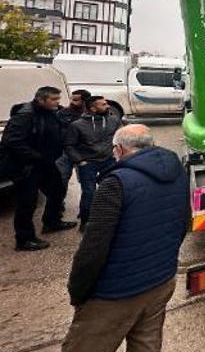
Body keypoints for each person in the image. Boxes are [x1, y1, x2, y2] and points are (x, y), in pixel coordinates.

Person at [56, 124, 190, 352]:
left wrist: (78, 291)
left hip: (115, 293)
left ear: (118, 149)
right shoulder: (177, 171)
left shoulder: (115, 183)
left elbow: (93, 248)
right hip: (160, 283)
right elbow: (184, 223)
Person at [0, 86, 77, 251]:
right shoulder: (25, 116)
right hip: (26, 166)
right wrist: (36, 157)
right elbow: (12, 142)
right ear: (41, 99)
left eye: (58, 99)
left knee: (57, 190)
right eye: (54, 99)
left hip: (46, 164)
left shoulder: (51, 112)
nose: (58, 102)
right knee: (27, 202)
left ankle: (52, 222)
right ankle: (24, 239)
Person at [64, 95, 122, 230]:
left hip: (108, 161)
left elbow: (121, 135)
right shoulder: (77, 125)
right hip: (88, 163)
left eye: (106, 103)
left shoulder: (113, 120)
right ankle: (86, 222)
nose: (107, 106)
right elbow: (69, 145)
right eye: (103, 104)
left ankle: (111, 218)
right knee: (89, 192)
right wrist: (80, 161)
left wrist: (117, 152)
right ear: (92, 108)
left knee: (112, 189)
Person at [56, 89, 91, 200]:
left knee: (86, 182)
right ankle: (58, 207)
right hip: (65, 152)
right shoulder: (62, 113)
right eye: (72, 99)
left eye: (76, 100)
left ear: (85, 101)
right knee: (61, 180)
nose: (72, 102)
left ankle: (86, 209)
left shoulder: (91, 115)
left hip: (83, 152)